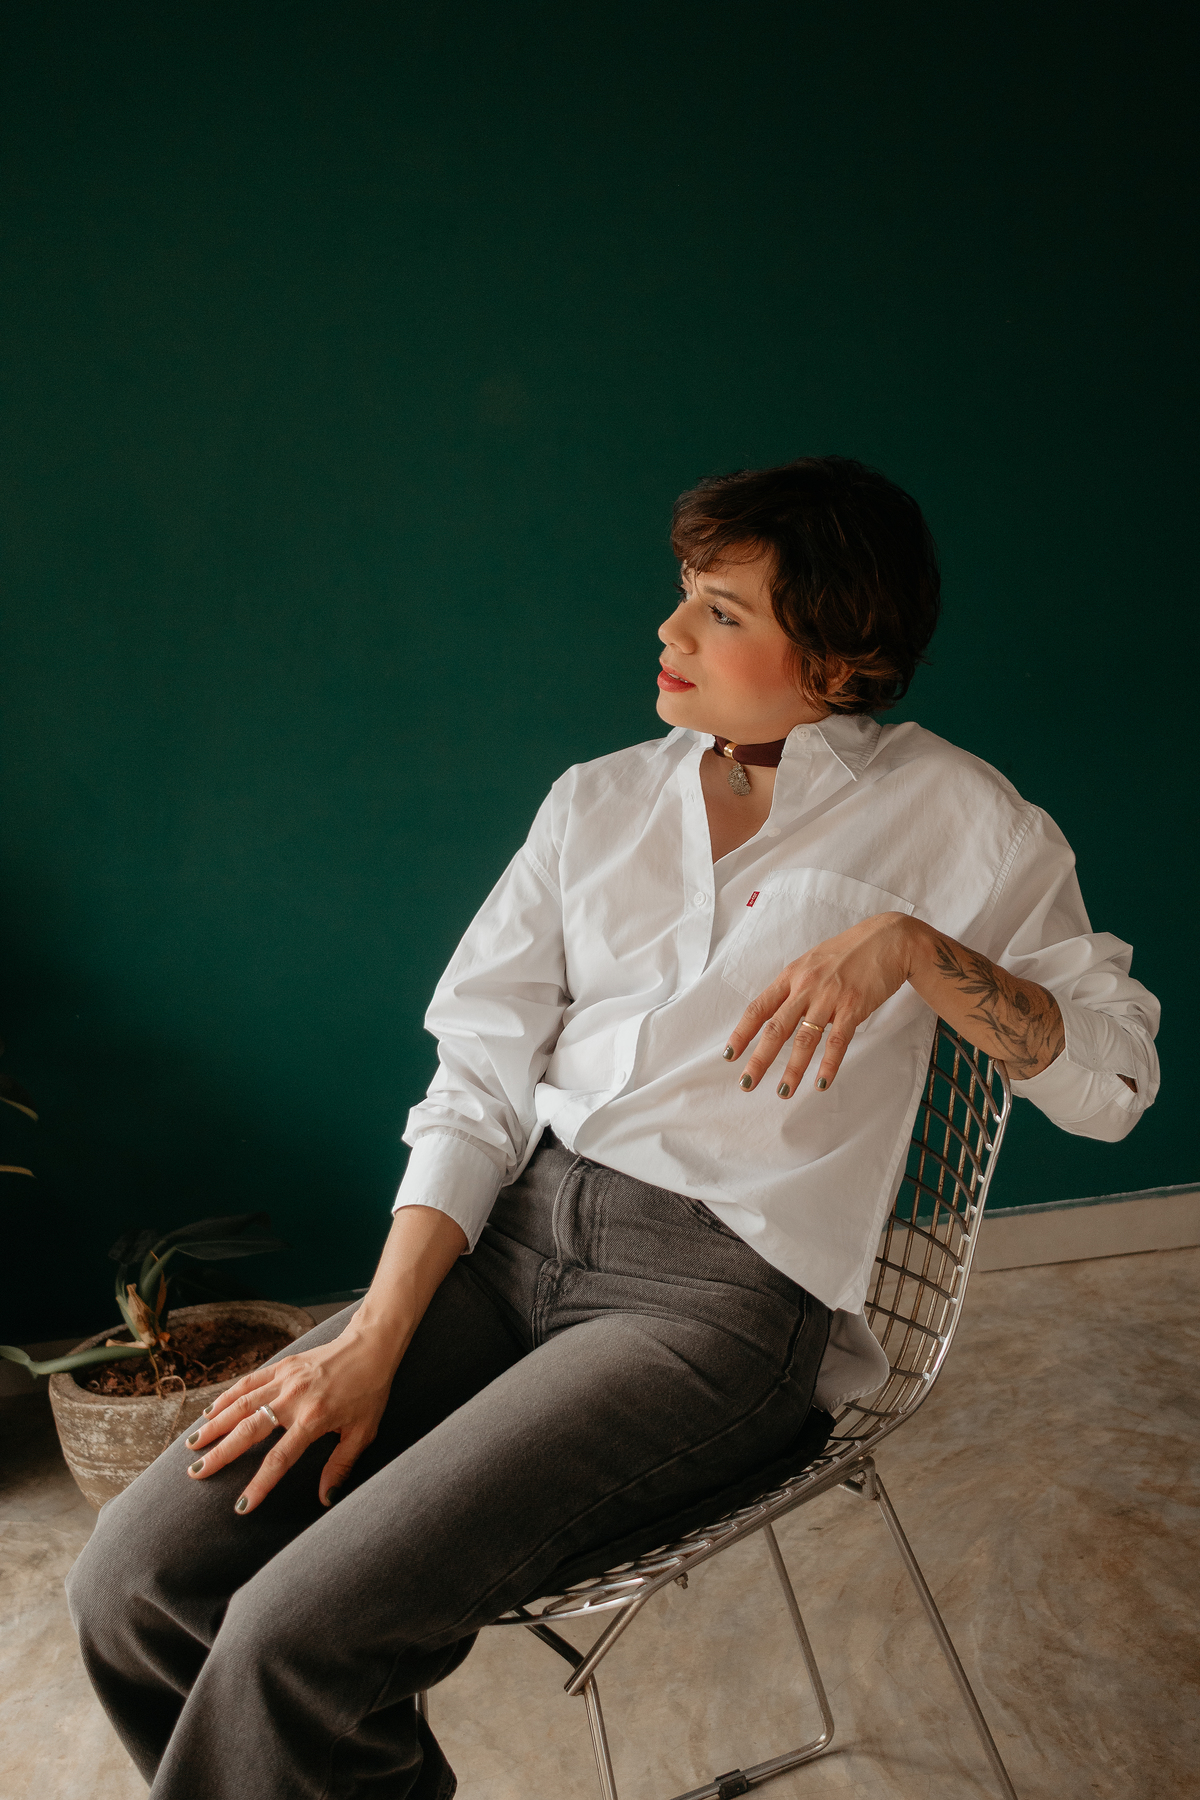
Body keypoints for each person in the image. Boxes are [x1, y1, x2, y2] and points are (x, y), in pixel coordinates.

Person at [66, 456, 1160, 1800]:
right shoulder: (596, 802)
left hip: (710, 1308)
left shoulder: (964, 822)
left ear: (836, 656)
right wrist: (373, 1336)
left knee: (293, 1636)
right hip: (504, 1245)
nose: (669, 628)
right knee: (133, 1582)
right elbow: (478, 1080)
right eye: (683, 593)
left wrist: (918, 951)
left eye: (721, 611)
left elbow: (1114, 1088)